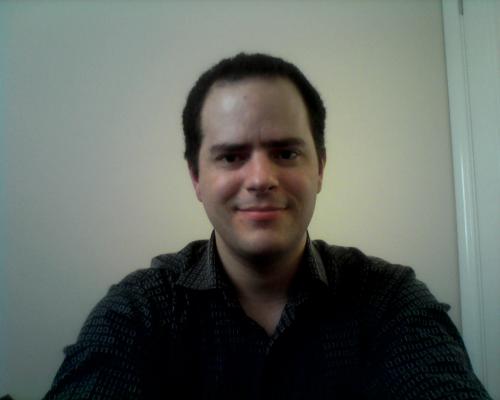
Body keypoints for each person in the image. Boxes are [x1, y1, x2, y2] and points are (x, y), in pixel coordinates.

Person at [43, 53, 491, 399]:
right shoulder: (140, 311)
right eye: (231, 156)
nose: (260, 179)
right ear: (196, 178)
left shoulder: (390, 300)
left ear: (320, 168)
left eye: (286, 153)